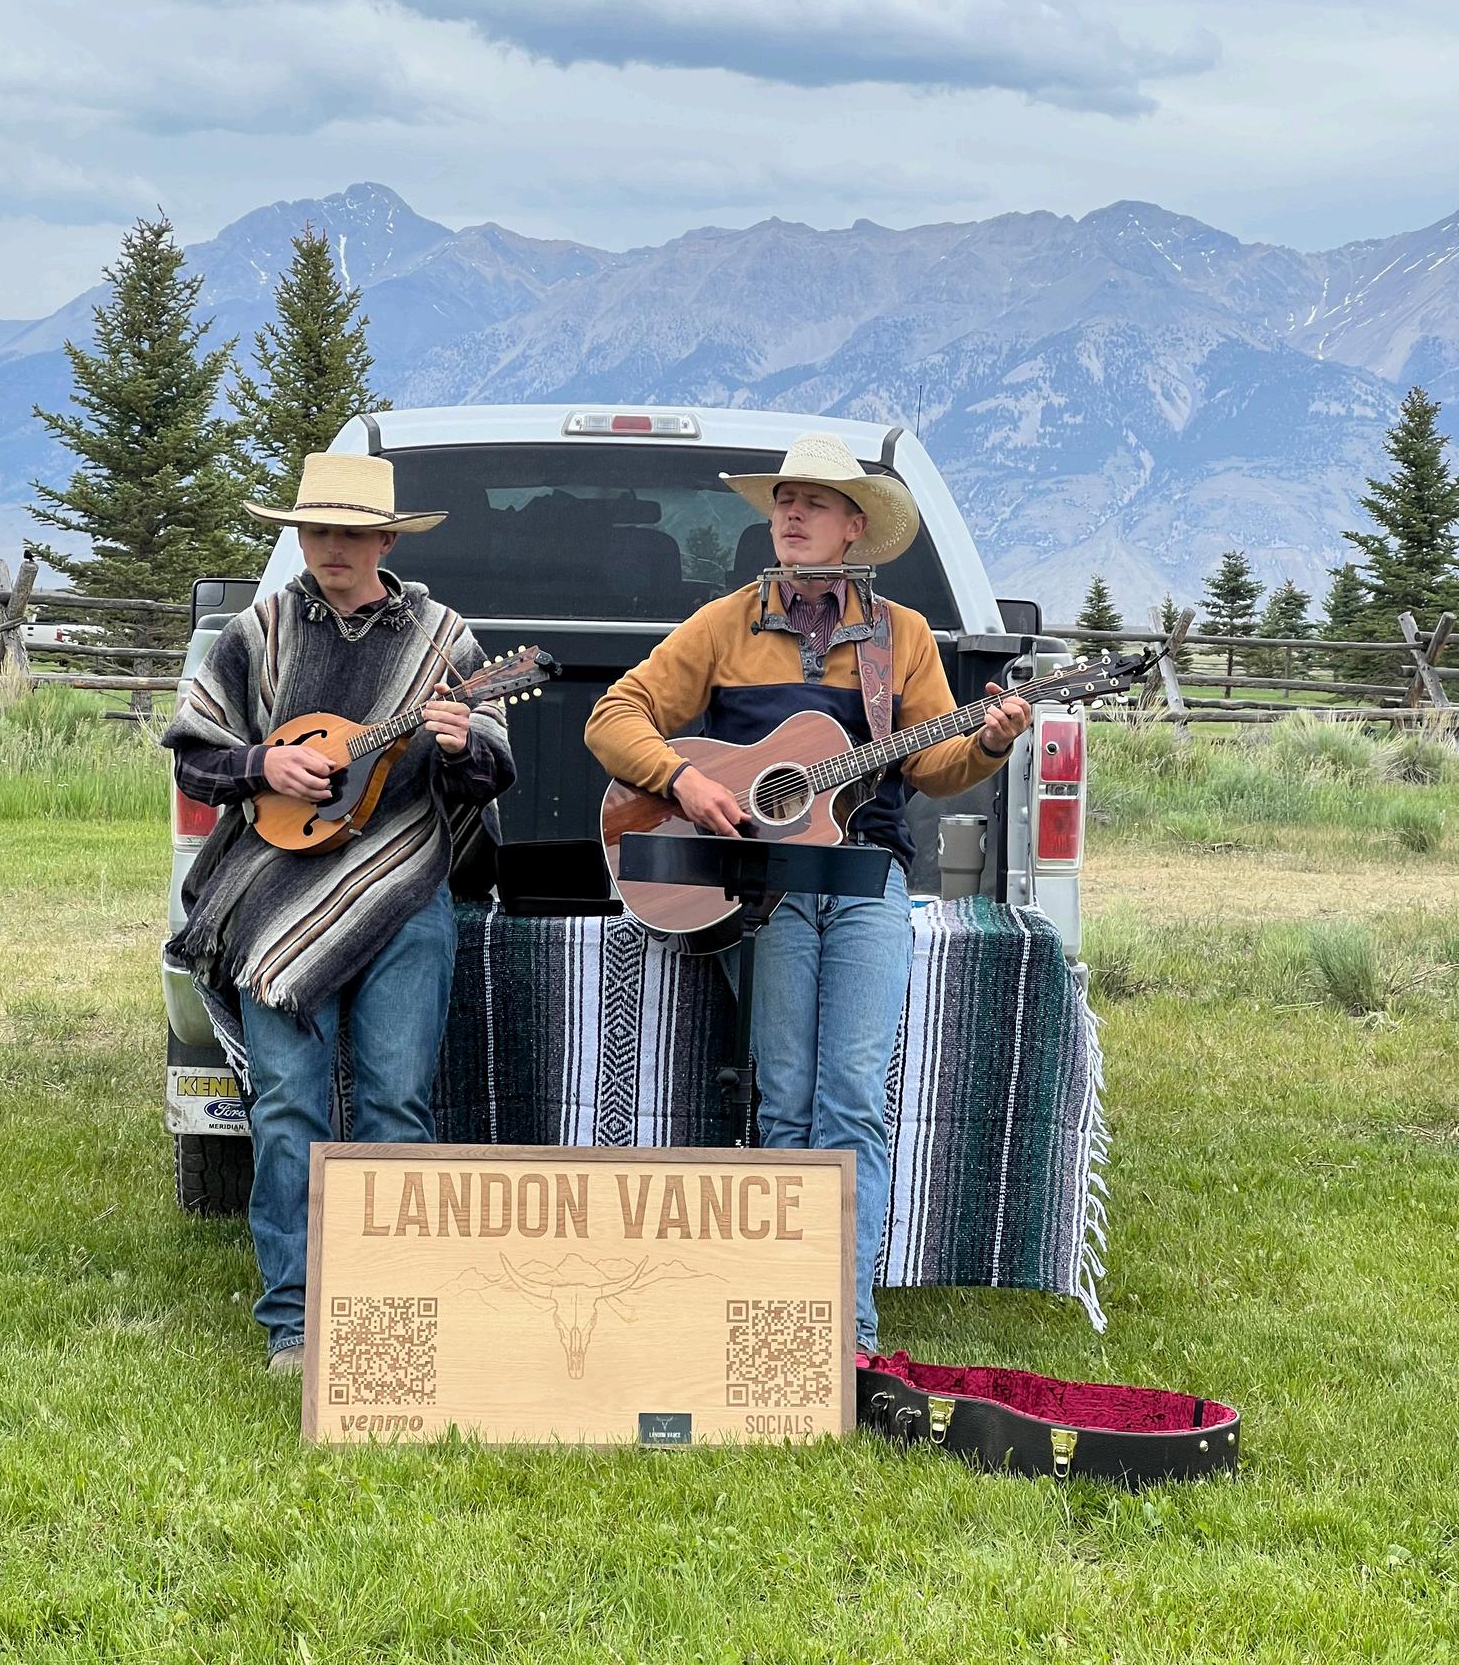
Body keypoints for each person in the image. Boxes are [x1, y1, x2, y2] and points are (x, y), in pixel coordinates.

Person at [584, 433, 1031, 1353]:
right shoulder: (724, 623)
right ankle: (781, 1318)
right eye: (784, 500)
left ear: (854, 527)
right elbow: (612, 716)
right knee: (786, 1099)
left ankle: (847, 1331)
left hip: (864, 876)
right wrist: (682, 780)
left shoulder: (901, 636)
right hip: (763, 885)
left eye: (814, 503)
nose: (792, 514)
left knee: (853, 1099)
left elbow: (935, 766)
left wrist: (988, 742)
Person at [163, 453, 514, 1374]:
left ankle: (393, 1308)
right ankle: (293, 1321)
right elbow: (194, 755)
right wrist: (262, 765)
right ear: (300, 537)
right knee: (288, 1106)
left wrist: (460, 744)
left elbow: (487, 776)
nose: (333, 548)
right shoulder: (259, 632)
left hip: (404, 891)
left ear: (387, 541)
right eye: (318, 531)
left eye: (353, 533)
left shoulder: (446, 642)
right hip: (273, 901)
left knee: (397, 1104)